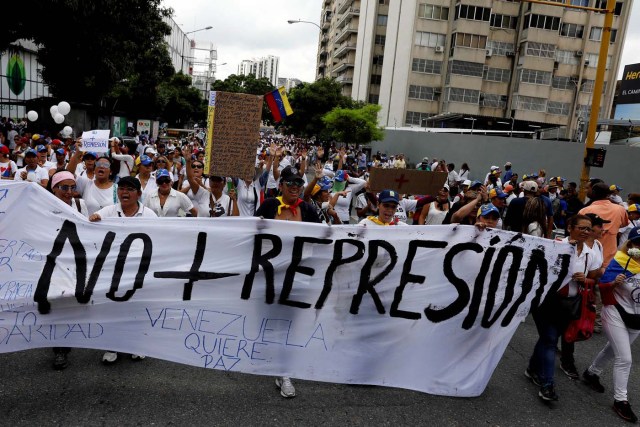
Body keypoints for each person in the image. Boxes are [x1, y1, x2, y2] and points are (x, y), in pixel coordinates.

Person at [254, 165, 320, 398]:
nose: (295, 188)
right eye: (290, 184)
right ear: (280, 185)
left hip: (298, 277)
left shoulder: (309, 210)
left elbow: (324, 237)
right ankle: (273, 364)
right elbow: (251, 233)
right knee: (270, 322)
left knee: (289, 325)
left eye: (299, 184)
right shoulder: (270, 205)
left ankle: (284, 372)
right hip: (270, 276)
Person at [526, 214, 598, 402]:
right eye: (581, 227)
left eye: (588, 229)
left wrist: (586, 280)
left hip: (569, 305)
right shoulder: (555, 246)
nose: (585, 232)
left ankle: (532, 368)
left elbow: (594, 278)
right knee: (550, 339)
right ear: (570, 228)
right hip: (547, 301)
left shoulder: (590, 253)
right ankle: (547, 384)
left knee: (548, 338)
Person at [89, 176, 156, 365]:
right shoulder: (109, 211)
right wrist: (94, 218)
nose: (124, 193)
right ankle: (112, 346)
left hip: (139, 271)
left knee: (136, 309)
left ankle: (137, 345)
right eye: (121, 189)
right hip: (113, 272)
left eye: (130, 189)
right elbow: (91, 224)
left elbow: (159, 240)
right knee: (113, 310)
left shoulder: (149, 215)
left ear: (139, 194)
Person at [584, 227, 640, 423]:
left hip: (636, 318)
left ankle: (591, 373)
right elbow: (602, 289)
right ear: (631, 245)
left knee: (611, 350)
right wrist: (614, 283)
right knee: (624, 358)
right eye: (638, 243)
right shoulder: (620, 262)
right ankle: (621, 400)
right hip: (615, 312)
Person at [47, 171, 88, 369]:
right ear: (54, 189)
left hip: (76, 262)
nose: (69, 192)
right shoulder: (44, 207)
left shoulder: (81, 205)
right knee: (57, 305)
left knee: (73, 303)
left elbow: (89, 230)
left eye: (73, 187)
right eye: (64, 187)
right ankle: (60, 349)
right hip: (53, 263)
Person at [580, 182, 630, 267]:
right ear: (608, 194)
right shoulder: (620, 210)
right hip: (608, 258)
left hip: (586, 257)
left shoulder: (584, 211)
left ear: (593, 193)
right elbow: (624, 224)